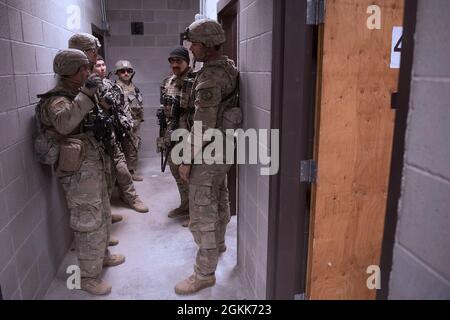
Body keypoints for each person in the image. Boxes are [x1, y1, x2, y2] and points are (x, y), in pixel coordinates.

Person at [35, 49, 125, 295]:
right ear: (71, 71)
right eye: (84, 68)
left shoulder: (78, 93)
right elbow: (65, 123)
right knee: (88, 220)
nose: (89, 71)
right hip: (78, 171)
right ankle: (87, 277)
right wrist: (86, 93)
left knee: (103, 211)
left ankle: (101, 256)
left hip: (92, 164)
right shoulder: (57, 100)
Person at [174, 19, 239, 295]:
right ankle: (220, 244)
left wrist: (186, 160)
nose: (190, 48)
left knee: (202, 211)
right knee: (219, 196)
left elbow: (202, 126)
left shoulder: (211, 77)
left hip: (209, 150)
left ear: (206, 45)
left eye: (194, 44)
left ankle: (204, 273)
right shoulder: (228, 66)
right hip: (224, 148)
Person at [68, 33, 125, 227]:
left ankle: (106, 220)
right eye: (93, 51)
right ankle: (101, 230)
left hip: (101, 138)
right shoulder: (75, 80)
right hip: (85, 147)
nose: (96, 55)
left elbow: (99, 104)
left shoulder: (90, 76)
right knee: (93, 196)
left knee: (106, 183)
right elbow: (69, 118)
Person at [93, 57, 149, 214]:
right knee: (106, 175)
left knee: (122, 167)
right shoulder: (89, 87)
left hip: (114, 132)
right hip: (98, 137)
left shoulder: (111, 86)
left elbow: (119, 109)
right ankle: (107, 211)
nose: (102, 68)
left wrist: (124, 124)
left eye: (103, 65)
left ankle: (130, 197)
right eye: (98, 65)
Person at [160, 47, 195, 227]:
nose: (174, 65)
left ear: (186, 62)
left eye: (178, 61)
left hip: (189, 136)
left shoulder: (195, 80)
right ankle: (185, 204)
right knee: (176, 172)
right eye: (172, 61)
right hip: (172, 134)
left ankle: (195, 213)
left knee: (190, 175)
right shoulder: (169, 82)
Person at [115, 61, 144, 181]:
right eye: (122, 71)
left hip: (135, 123)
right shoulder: (115, 88)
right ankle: (124, 175)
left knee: (134, 147)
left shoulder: (134, 88)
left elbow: (138, 105)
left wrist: (140, 119)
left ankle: (131, 171)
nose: (126, 73)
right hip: (123, 124)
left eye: (129, 71)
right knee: (123, 149)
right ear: (117, 73)